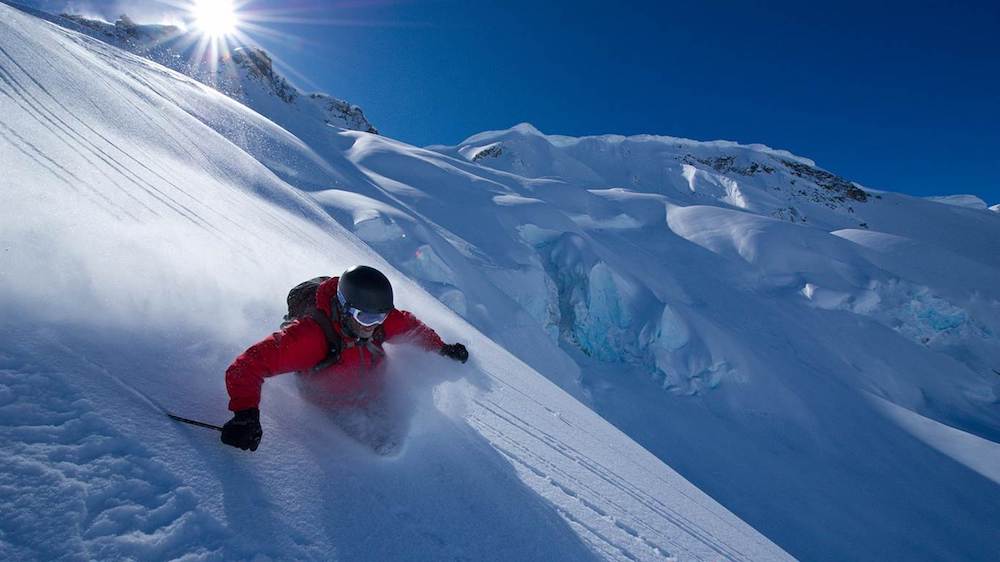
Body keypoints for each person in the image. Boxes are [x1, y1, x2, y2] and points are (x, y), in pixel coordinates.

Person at [221, 265, 469, 451]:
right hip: (330, 404)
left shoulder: (379, 318)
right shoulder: (311, 337)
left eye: (380, 317)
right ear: (344, 308)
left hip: (372, 393)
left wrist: (442, 348)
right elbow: (247, 366)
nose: (373, 325)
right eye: (365, 318)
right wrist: (245, 415)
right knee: (381, 448)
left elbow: (411, 327)